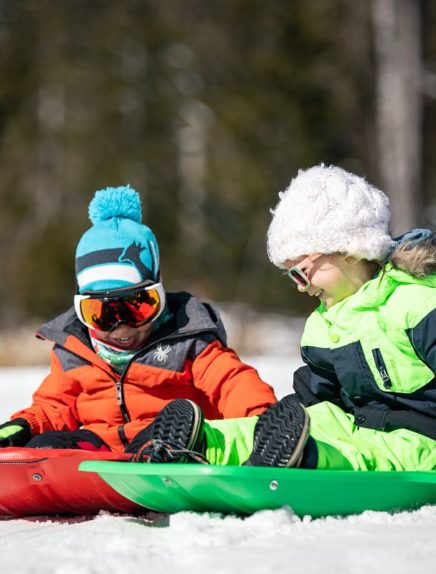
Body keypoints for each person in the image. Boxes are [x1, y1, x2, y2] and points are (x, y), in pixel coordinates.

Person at [138, 164, 436, 471]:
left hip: (424, 442)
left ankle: (307, 460)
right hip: (360, 430)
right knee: (311, 422)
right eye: (290, 274)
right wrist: (290, 421)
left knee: (371, 454)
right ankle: (203, 442)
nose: (299, 285)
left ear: (349, 249)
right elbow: (318, 403)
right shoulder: (324, 326)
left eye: (302, 271)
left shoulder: (418, 304)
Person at [0, 186, 277, 453]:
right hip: (103, 448)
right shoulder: (74, 350)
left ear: (160, 296)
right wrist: (27, 424)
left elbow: (231, 382)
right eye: (101, 314)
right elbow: (55, 404)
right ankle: (55, 470)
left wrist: (262, 418)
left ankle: (165, 453)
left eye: (137, 308)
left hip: (169, 437)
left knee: (159, 439)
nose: (121, 326)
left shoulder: (188, 340)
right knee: (46, 446)